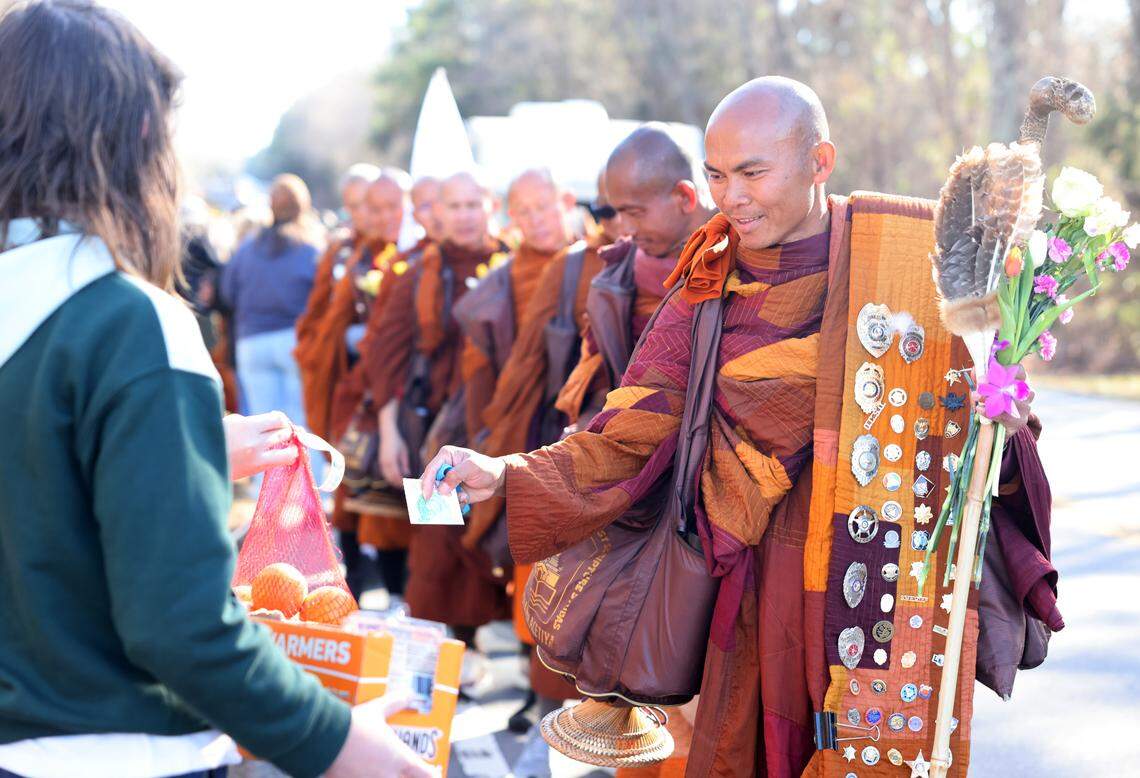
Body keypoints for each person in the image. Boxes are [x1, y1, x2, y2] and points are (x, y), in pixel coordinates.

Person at [418, 77, 1048, 777]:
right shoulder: (709, 280)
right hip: (746, 593)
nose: (731, 196)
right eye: (716, 174)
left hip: (875, 583)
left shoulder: (905, 260)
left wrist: (1008, 423)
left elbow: (982, 433)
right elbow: (630, 430)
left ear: (820, 161)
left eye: (752, 171)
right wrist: (505, 471)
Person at [0, 3, 434, 777]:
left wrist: (184, 454)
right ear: (137, 136)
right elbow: (180, 625)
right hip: (122, 749)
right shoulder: (130, 322)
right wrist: (343, 745)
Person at [364, 170, 510, 664]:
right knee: (435, 541)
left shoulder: (511, 262)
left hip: (497, 425)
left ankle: (469, 648)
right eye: (455, 206)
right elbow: (386, 354)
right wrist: (387, 434)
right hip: (437, 432)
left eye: (474, 205)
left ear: (490, 205)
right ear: (437, 213)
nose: (465, 216)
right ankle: (440, 657)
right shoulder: (420, 271)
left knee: (483, 542)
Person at [554, 125, 716, 430]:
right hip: (633, 449)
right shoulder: (618, 274)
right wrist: (591, 425)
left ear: (685, 196)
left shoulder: (745, 257)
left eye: (635, 213)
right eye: (617, 213)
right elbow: (604, 384)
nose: (623, 228)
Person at [221, 173, 323, 429]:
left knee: (262, 430)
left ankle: (263, 472)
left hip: (251, 341)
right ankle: (309, 471)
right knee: (300, 426)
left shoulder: (247, 248)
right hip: (294, 341)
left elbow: (227, 292)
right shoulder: (311, 249)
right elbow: (322, 299)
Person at [294, 163, 380, 440]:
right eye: (354, 206)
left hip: (382, 377)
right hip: (339, 372)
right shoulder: (341, 250)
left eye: (369, 203)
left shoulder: (403, 248)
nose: (363, 214)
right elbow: (316, 312)